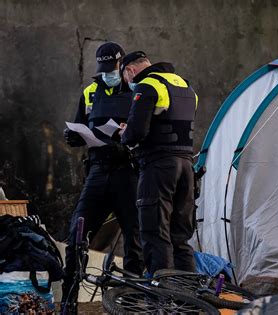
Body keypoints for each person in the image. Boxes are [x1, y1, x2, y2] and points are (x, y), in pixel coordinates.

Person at [61, 42, 143, 313]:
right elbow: (79, 127)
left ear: (122, 66)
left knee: (135, 238)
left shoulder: (136, 90)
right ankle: (68, 302)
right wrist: (72, 136)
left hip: (126, 172)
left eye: (112, 68)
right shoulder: (90, 92)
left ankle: (130, 302)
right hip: (97, 171)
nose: (107, 73)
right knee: (77, 234)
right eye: (104, 69)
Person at [119, 51, 198, 277]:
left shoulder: (147, 86)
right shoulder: (186, 86)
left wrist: (124, 133)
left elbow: (136, 133)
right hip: (186, 167)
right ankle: (190, 300)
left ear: (130, 71)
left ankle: (162, 302)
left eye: (125, 77)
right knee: (180, 238)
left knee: (155, 234)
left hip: (159, 167)